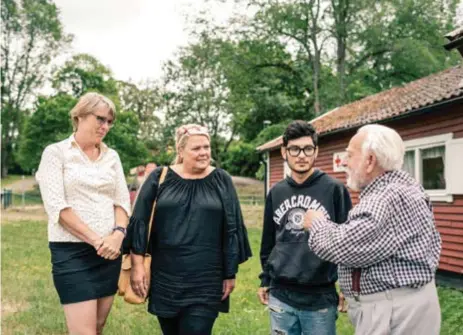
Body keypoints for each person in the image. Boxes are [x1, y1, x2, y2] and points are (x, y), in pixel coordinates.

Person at [304, 124, 442, 335]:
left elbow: (345, 247)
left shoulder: (386, 198)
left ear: (370, 160)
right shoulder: (401, 187)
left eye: (349, 155)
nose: (343, 162)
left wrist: (317, 223)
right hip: (404, 303)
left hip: (393, 311)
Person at [125, 123, 252, 335]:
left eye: (207, 147)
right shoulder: (159, 177)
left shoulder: (222, 180)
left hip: (207, 278)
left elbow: (232, 227)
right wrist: (137, 266)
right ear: (180, 151)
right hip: (165, 277)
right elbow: (140, 221)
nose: (204, 153)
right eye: (196, 148)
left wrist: (230, 273)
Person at [36, 92, 131, 335]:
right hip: (72, 253)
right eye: (100, 119)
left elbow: (121, 201)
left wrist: (118, 235)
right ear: (79, 116)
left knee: (97, 327)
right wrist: (98, 241)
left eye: (110, 122)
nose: (105, 126)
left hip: (109, 254)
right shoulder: (56, 153)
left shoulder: (112, 156)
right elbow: (57, 207)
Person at [258, 121, 352, 335]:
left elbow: (348, 243)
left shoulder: (335, 190)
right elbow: (269, 242)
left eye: (308, 149)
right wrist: (266, 279)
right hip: (281, 294)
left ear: (316, 151)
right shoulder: (276, 192)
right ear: (284, 152)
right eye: (294, 149)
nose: (301, 155)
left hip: (320, 297)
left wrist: (345, 285)